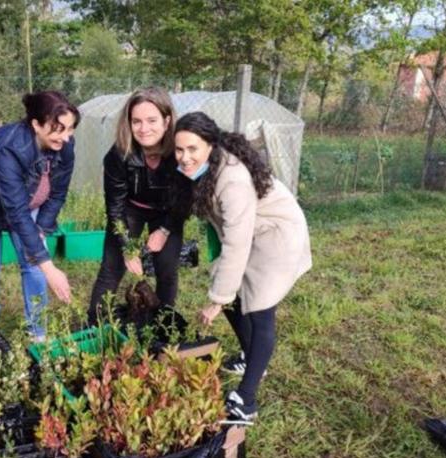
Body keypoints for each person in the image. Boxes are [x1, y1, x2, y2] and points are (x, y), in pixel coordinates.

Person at [174, 111, 312, 424]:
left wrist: (217, 298)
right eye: (179, 150)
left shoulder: (232, 179)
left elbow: (236, 243)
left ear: (210, 145)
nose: (184, 157)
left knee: (260, 310)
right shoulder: (202, 167)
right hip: (252, 233)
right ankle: (252, 359)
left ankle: (246, 402)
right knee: (233, 297)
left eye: (192, 149)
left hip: (276, 235)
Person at [0, 91, 79, 341]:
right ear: (36, 124)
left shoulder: (65, 144)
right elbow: (17, 213)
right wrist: (50, 267)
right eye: (58, 129)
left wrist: (41, 228)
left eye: (70, 129)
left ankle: (37, 331)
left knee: (33, 263)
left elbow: (58, 193)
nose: (65, 137)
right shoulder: (10, 149)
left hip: (22, 199)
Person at [87, 87, 192, 324]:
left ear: (167, 121)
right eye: (137, 121)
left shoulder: (182, 152)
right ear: (129, 123)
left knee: (166, 270)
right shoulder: (118, 155)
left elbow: (185, 199)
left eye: (152, 120)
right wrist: (126, 247)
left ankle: (163, 326)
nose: (144, 129)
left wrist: (165, 230)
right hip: (130, 209)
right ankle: (95, 327)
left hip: (168, 211)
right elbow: (114, 207)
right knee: (111, 269)